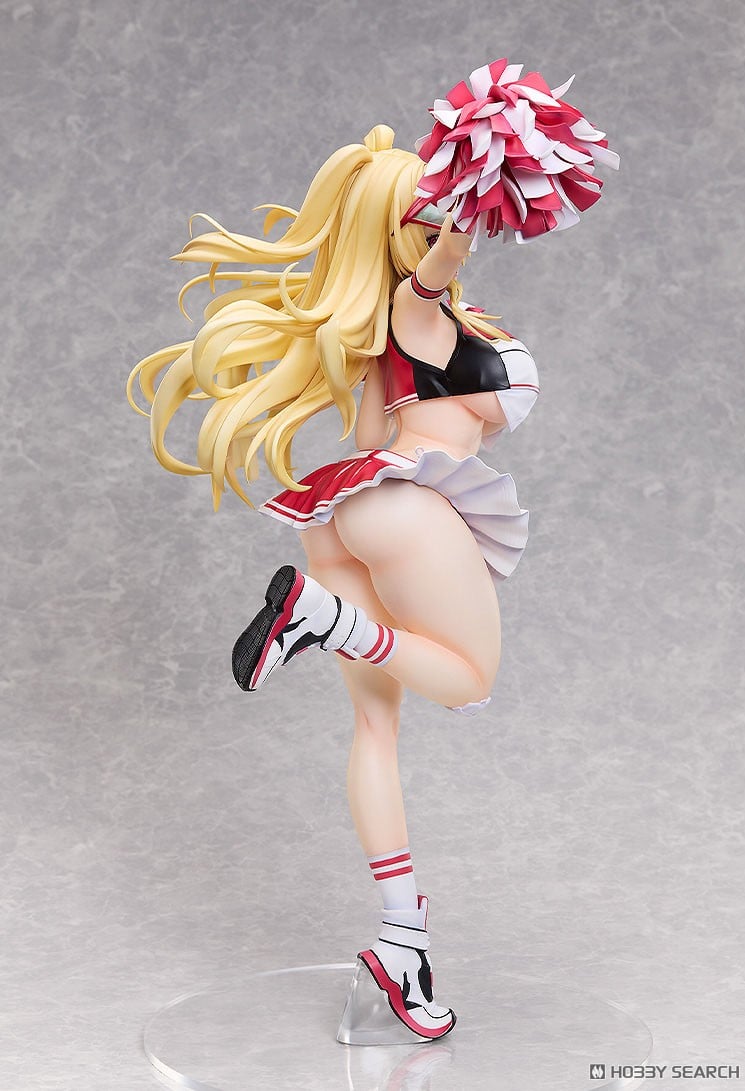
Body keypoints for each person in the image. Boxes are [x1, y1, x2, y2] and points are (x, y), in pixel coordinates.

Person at [128, 122, 540, 1042]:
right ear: (410, 232)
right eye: (429, 214)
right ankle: (323, 617)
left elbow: (367, 434)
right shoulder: (418, 301)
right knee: (466, 679)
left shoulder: (380, 329)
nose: (446, 226)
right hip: (408, 508)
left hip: (348, 508)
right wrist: (471, 206)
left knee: (374, 727)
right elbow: (439, 268)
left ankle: (401, 941)